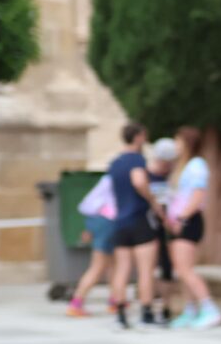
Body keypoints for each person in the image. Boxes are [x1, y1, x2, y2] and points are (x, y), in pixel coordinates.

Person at [159, 128, 221, 328]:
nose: (175, 145)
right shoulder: (182, 166)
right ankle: (190, 310)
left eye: (178, 141)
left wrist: (182, 218)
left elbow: (197, 195)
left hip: (188, 221)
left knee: (185, 269)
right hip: (178, 221)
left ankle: (209, 308)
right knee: (180, 270)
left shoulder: (196, 165)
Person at [103, 124, 160, 330]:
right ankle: (146, 314)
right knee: (145, 270)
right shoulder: (136, 159)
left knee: (122, 269)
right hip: (139, 218)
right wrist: (152, 199)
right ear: (137, 137)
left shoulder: (115, 162)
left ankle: (120, 314)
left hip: (120, 220)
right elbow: (139, 181)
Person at [65, 174, 117, 318]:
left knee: (113, 265)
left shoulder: (108, 178)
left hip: (101, 221)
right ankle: (76, 303)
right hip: (108, 222)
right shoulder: (116, 177)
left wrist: (90, 229)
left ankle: (115, 300)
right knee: (98, 267)